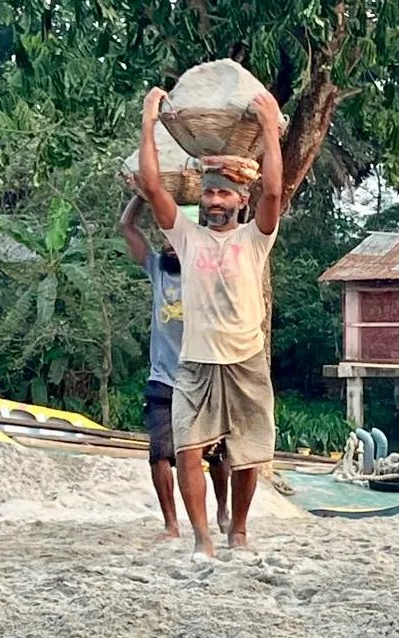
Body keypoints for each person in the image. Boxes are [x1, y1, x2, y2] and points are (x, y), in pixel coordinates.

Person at [136, 86, 284, 557]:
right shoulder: (187, 237)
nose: (214, 199)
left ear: (241, 200)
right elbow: (154, 188)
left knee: (249, 453)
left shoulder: (255, 238)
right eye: (209, 192)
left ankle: (237, 530)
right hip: (195, 361)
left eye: (224, 192)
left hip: (246, 358)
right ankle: (202, 537)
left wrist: (268, 129)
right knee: (187, 450)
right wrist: (148, 121)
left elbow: (275, 190)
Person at [119, 194, 231, 541]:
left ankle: (223, 510)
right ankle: (171, 524)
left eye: (176, 240)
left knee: (218, 454)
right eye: (165, 239)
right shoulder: (156, 270)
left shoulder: (210, 273)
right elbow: (126, 227)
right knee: (159, 454)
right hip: (163, 379)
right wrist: (141, 194)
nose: (169, 246)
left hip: (206, 376)